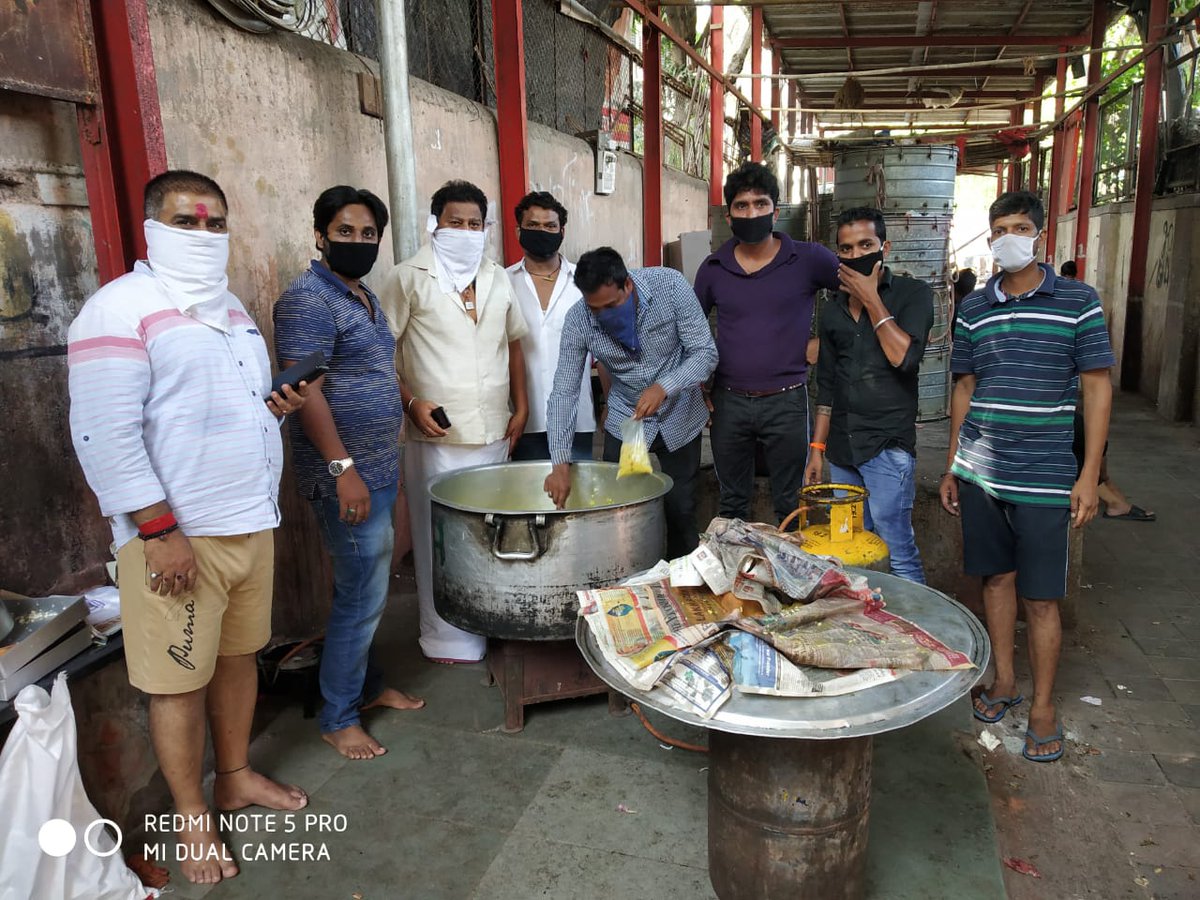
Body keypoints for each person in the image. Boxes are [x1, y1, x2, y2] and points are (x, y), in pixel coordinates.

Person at [68, 171, 309, 885]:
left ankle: (233, 776)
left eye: (214, 223)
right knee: (177, 684)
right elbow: (104, 433)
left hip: (248, 522)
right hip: (177, 536)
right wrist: (157, 531)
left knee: (238, 660)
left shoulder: (231, 310)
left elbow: (215, 409)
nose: (204, 235)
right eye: (186, 221)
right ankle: (191, 815)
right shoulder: (118, 310)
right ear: (151, 228)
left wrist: (274, 410)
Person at [940, 190, 1114, 764]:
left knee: (1040, 599)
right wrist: (953, 464)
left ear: (1039, 236)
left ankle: (1042, 708)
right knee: (996, 582)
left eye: (1019, 227)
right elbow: (964, 386)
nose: (1008, 238)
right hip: (982, 472)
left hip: (1045, 476)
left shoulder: (1078, 301)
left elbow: (1096, 387)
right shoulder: (974, 307)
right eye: (999, 229)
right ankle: (1005, 681)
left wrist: (1089, 475)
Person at [273, 186, 425, 762]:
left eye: (368, 234)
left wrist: (410, 405)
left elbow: (377, 368)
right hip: (345, 471)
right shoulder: (307, 300)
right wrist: (343, 470)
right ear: (319, 235)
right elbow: (304, 391)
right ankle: (338, 718)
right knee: (361, 594)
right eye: (345, 232)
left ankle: (366, 687)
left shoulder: (360, 294)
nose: (358, 242)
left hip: (378, 463)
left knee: (367, 587)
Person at [379, 180, 529, 664]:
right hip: (437, 436)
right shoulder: (407, 278)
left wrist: (521, 406)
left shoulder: (497, 278)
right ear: (434, 224)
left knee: (491, 534)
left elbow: (513, 344)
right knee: (438, 539)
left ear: (486, 228)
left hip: (493, 430)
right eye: (454, 222)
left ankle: (490, 621)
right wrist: (410, 403)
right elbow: (379, 353)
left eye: (474, 224)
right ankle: (447, 638)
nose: (465, 231)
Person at [544, 247, 717, 559]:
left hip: (680, 414)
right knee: (620, 507)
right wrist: (559, 462)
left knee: (680, 507)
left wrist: (664, 387)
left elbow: (705, 353)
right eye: (596, 309)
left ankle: (682, 574)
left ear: (628, 284)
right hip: (628, 419)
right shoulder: (579, 320)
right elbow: (564, 392)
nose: (605, 315)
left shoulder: (670, 287)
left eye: (612, 305)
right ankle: (629, 573)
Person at [693, 162, 840, 525]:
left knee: (792, 504)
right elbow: (691, 329)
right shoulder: (713, 268)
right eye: (742, 206)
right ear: (729, 216)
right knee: (732, 504)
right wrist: (698, 385)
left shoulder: (809, 259)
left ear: (776, 211)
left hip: (787, 401)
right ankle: (737, 562)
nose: (751, 213)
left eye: (760, 204)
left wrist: (825, 340)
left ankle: (789, 563)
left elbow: (858, 294)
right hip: (729, 403)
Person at [805, 207, 934, 584]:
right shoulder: (832, 311)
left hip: (886, 447)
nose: (856, 255)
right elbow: (827, 383)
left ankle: (914, 620)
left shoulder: (913, 295)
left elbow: (904, 358)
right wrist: (817, 450)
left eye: (866, 245)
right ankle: (869, 616)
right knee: (853, 549)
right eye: (846, 249)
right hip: (843, 449)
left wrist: (872, 299)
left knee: (897, 551)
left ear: (884, 248)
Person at [505, 190, 595, 461]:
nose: (541, 231)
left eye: (550, 226)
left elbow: (604, 346)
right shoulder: (502, 282)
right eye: (532, 225)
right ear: (518, 231)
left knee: (578, 487)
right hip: (522, 419)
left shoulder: (585, 281)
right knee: (526, 488)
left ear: (562, 231)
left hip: (576, 418)